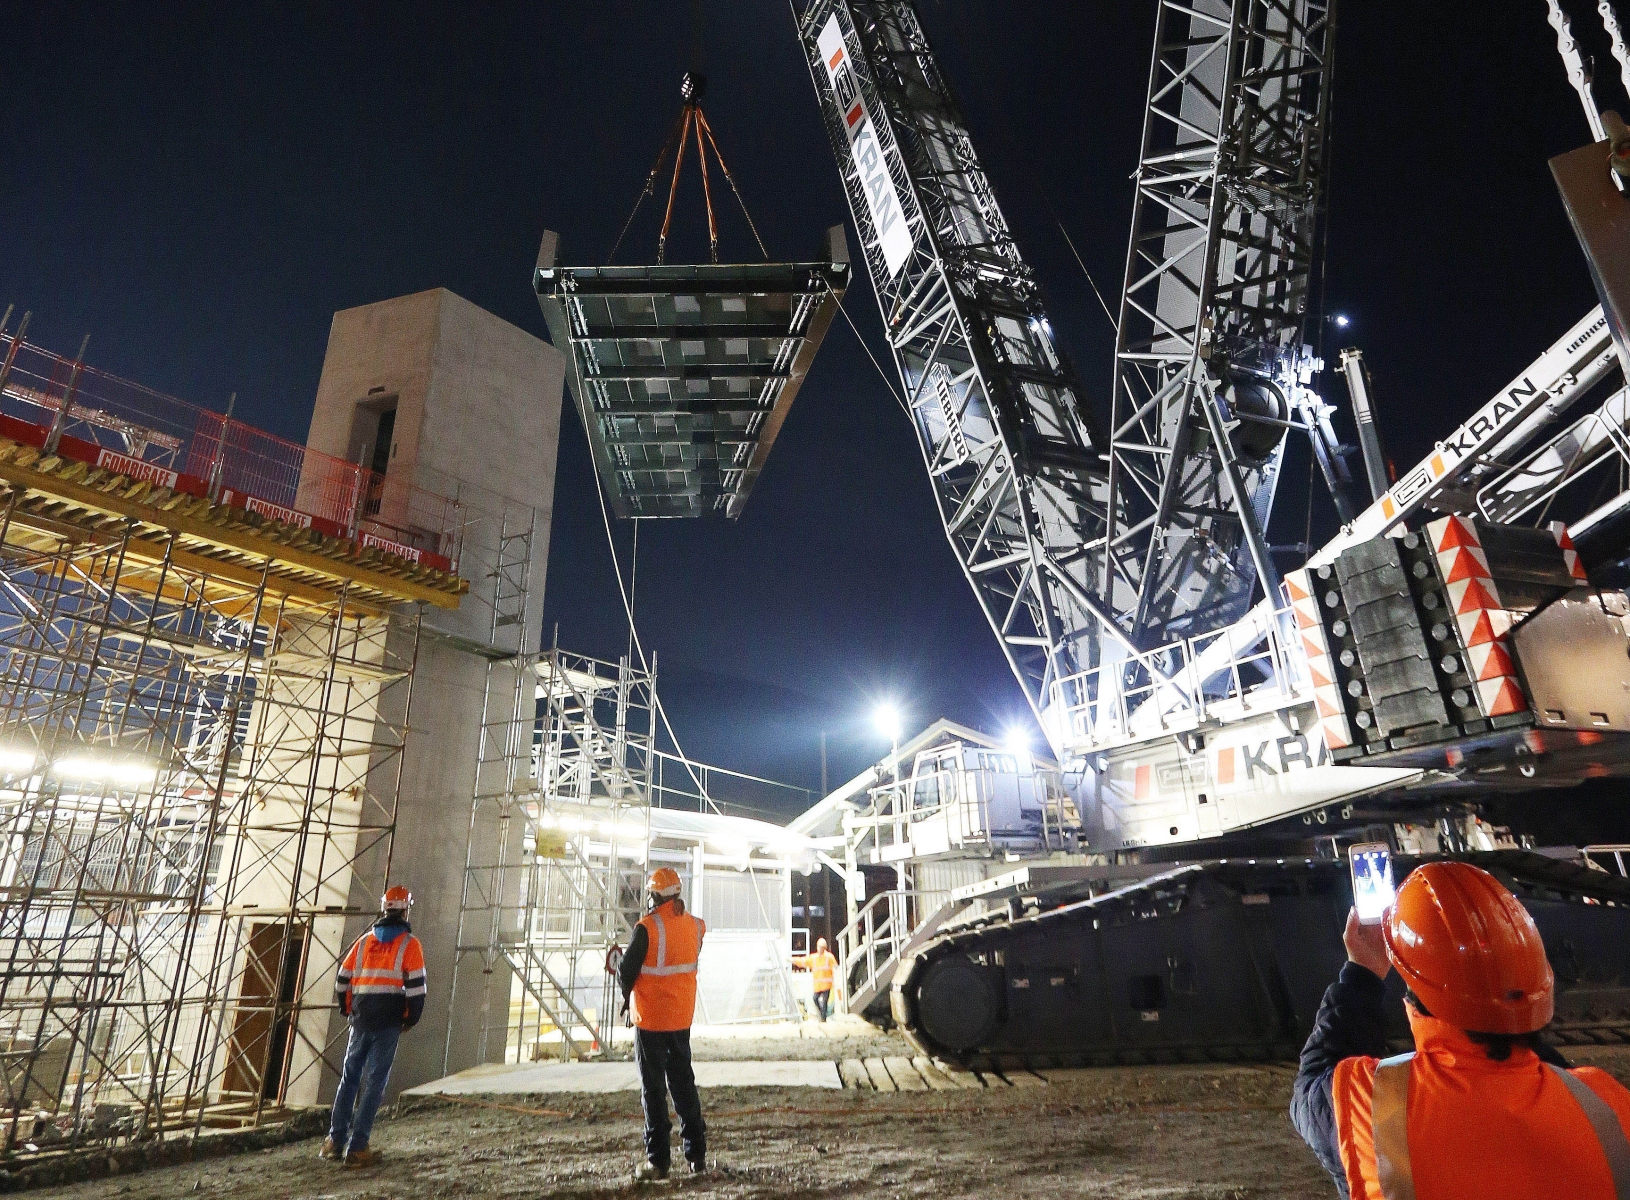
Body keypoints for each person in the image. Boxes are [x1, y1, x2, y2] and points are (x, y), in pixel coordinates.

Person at [1290, 860, 1630, 1198]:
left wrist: (1363, 972)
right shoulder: (1606, 1104)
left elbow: (1312, 1087)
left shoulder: (1373, 1105)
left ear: (1415, 1002)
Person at [321, 885, 426, 1167]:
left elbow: (342, 980)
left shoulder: (364, 942)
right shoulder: (409, 945)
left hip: (361, 1019)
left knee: (349, 1078)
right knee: (375, 1083)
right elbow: (416, 990)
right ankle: (357, 1147)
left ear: (384, 908)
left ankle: (334, 1141)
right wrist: (409, 1020)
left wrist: (348, 1010)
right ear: (405, 909)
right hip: (389, 1023)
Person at [618, 867, 708, 1181]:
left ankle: (658, 1162)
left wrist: (626, 994)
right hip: (680, 1020)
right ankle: (697, 1157)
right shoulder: (696, 926)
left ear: (654, 896)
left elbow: (626, 973)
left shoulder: (647, 927)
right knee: (684, 1086)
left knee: (653, 1091)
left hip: (652, 1023)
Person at [793, 936, 839, 1022]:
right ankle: (822, 1013)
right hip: (818, 986)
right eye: (818, 947)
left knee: (825, 1002)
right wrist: (793, 960)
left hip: (827, 985)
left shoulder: (829, 957)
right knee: (815, 998)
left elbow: (835, 966)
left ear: (824, 948)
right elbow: (803, 961)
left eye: (821, 947)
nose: (819, 949)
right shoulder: (814, 958)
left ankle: (823, 1018)